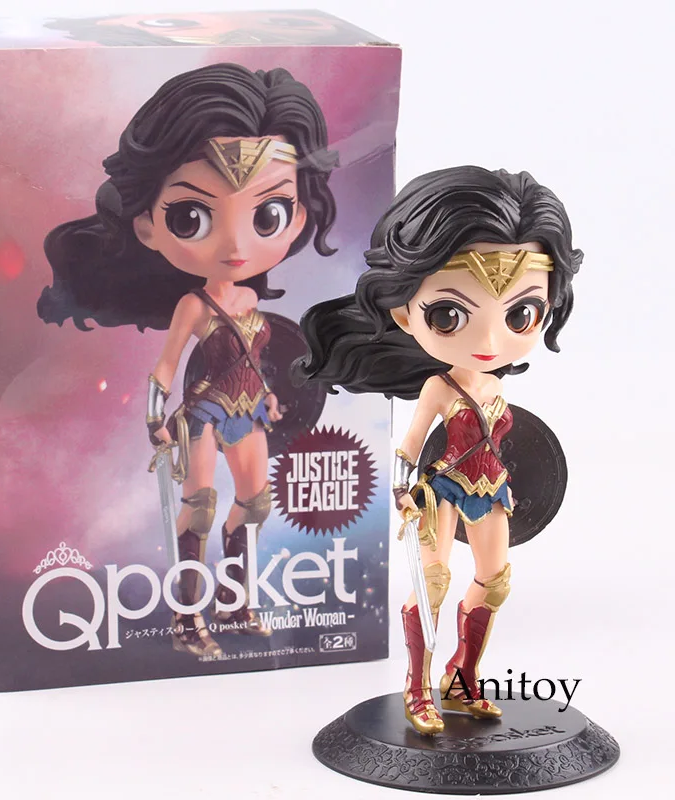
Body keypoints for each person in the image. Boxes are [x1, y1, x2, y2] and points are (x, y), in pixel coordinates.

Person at [39, 62, 337, 657]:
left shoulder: (249, 300)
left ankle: (235, 601)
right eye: (191, 218)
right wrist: (155, 417)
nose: (236, 244)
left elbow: (253, 357)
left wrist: (268, 393)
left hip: (249, 411)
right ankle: (186, 618)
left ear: (297, 216)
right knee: (199, 509)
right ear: (149, 227)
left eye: (268, 215)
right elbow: (166, 368)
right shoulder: (194, 305)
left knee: (255, 504)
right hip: (203, 413)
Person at [293, 166, 581, 734]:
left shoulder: (494, 385)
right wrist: (403, 491)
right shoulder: (438, 388)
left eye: (521, 314)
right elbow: (408, 447)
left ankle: (462, 675)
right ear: (405, 313)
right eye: (449, 315)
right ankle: (416, 686)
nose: (490, 341)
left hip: (492, 488)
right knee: (433, 583)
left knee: (495, 581)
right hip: (442, 489)